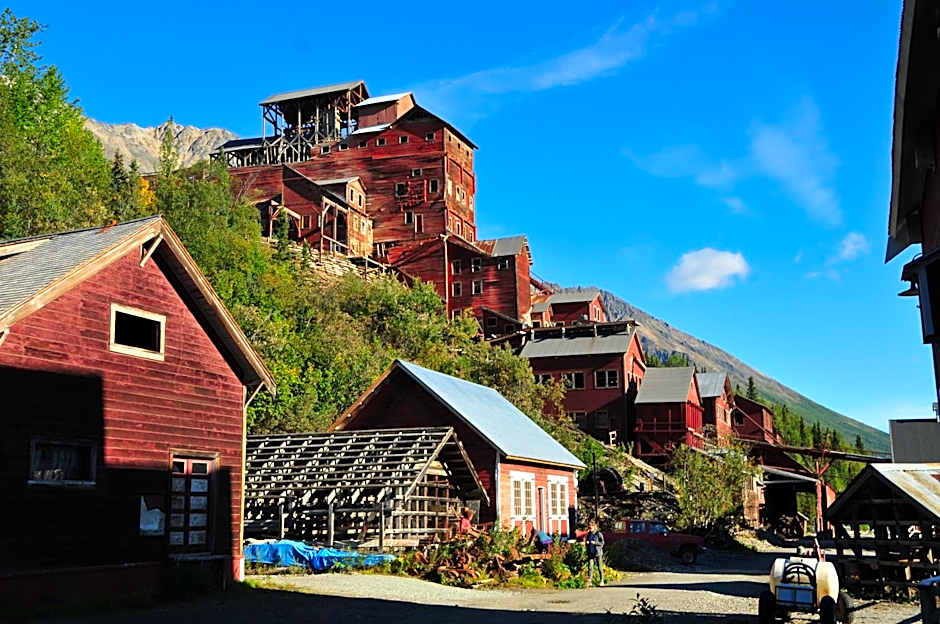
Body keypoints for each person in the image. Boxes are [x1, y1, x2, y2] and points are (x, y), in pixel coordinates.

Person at [585, 520, 605, 586]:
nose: (590, 529)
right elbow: (586, 541)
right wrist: (587, 543)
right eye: (589, 528)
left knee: (599, 567)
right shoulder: (589, 534)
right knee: (590, 567)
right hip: (591, 552)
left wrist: (595, 543)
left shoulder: (598, 534)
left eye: (591, 528)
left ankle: (602, 580)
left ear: (594, 527)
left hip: (598, 553)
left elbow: (602, 543)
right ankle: (590, 581)